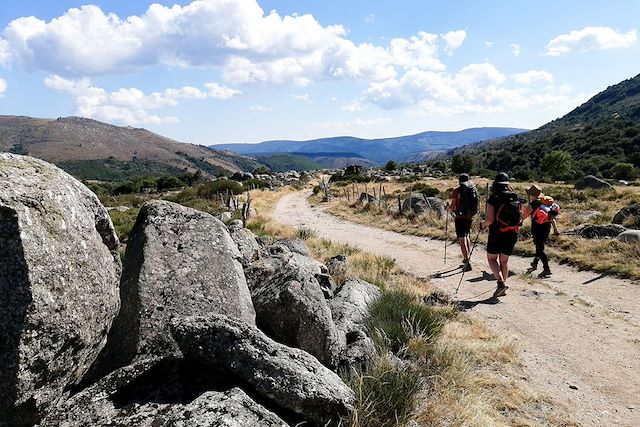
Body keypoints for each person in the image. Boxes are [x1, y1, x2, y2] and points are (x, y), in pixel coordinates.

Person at [480, 173, 521, 297]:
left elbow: (490, 220)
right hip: (512, 233)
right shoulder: (515, 198)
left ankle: (501, 283)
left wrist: (483, 224)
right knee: (504, 261)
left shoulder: (493, 199)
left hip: (496, 233)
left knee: (492, 258)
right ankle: (502, 286)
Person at [522, 184, 560, 277]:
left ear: (531, 195)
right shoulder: (545, 203)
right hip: (546, 227)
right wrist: (555, 229)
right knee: (539, 246)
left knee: (540, 248)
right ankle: (535, 263)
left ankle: (546, 269)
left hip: (537, 228)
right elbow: (551, 217)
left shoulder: (533, 204)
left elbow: (523, 216)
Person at [448, 173, 479, 271]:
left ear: (459, 180)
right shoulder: (472, 189)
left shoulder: (456, 190)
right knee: (467, 236)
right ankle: (468, 257)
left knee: (462, 239)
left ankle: (467, 260)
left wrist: (448, 208)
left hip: (459, 217)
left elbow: (452, 207)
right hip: (469, 216)